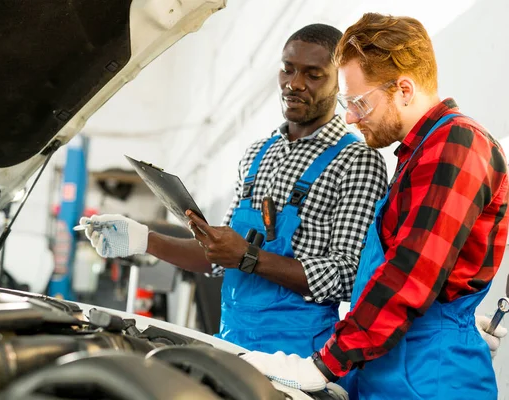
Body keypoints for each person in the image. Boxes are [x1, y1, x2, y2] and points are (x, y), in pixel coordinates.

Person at [241, 13, 509, 399]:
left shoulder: (457, 145)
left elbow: (409, 274)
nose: (349, 117)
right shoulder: (418, 153)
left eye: (359, 103)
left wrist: (322, 364)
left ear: (403, 89)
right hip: (394, 364)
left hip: (427, 380)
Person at [80, 24, 389, 358]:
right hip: (232, 341)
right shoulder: (258, 154)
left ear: (338, 82)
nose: (294, 84)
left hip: (299, 356)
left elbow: (348, 276)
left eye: (313, 75)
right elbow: (219, 260)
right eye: (287, 69)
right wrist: (143, 239)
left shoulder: (357, 160)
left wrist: (249, 257)